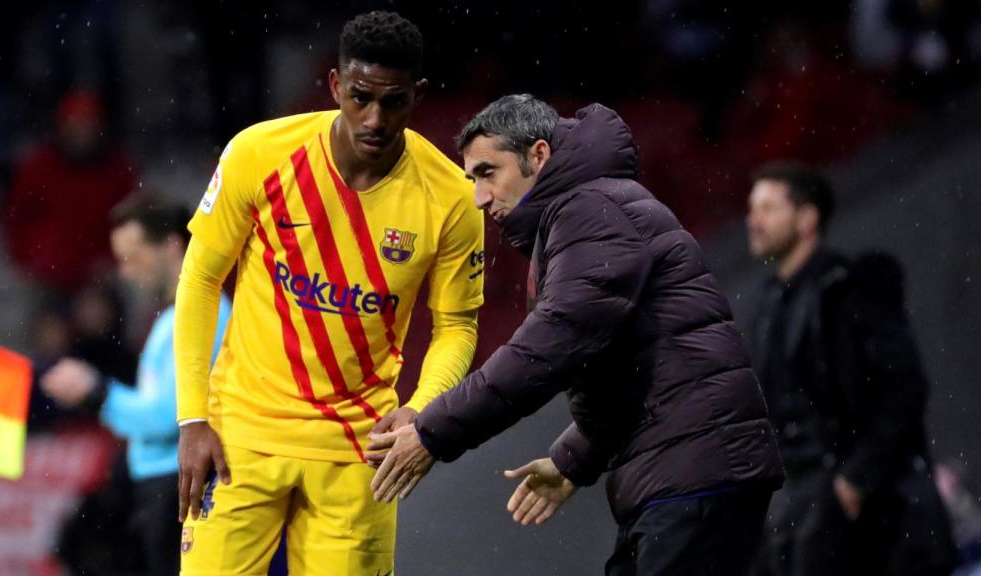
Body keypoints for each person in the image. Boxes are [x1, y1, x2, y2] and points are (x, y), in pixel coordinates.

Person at [369, 94, 784, 575]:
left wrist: (434, 431)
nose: (480, 198)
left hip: (695, 474)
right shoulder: (592, 207)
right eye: (472, 179)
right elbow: (624, 366)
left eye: (488, 173)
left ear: (539, 156)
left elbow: (556, 341)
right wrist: (574, 459)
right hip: (686, 472)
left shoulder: (589, 210)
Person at [173, 11, 484, 575]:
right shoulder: (258, 154)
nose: (374, 119)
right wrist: (192, 417)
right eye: (361, 96)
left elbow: (457, 327)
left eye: (393, 102)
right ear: (337, 85)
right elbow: (198, 279)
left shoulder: (452, 199)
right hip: (239, 438)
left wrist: (420, 409)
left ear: (418, 96)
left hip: (358, 452)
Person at [744, 161, 956, 576]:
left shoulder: (850, 289)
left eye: (768, 208)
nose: (754, 221)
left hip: (873, 520)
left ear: (806, 218)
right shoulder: (769, 309)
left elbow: (904, 389)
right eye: (753, 209)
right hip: (809, 516)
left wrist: (856, 479)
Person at [41, 195, 231, 576]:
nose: (126, 272)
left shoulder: (199, 316)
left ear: (172, 246)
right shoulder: (173, 320)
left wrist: (95, 392)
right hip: (163, 487)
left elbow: (170, 417)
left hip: (178, 488)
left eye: (132, 257)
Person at [3, 89, 135, 298]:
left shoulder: (117, 171)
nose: (82, 134)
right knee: (50, 327)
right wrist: (31, 260)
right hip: (46, 278)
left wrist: (109, 262)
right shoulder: (38, 168)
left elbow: (129, 222)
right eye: (75, 126)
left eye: (88, 126)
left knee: (99, 316)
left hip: (98, 278)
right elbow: (16, 219)